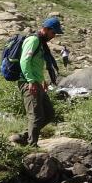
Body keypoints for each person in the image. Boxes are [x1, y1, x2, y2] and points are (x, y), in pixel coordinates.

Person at [11, 16, 63, 147]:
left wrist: (42, 80)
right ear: (45, 29)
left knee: (49, 114)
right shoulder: (33, 40)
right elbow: (24, 61)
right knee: (35, 116)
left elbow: (36, 64)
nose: (54, 36)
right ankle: (31, 146)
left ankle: (25, 136)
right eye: (53, 32)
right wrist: (30, 80)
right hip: (28, 82)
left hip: (36, 82)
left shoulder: (41, 43)